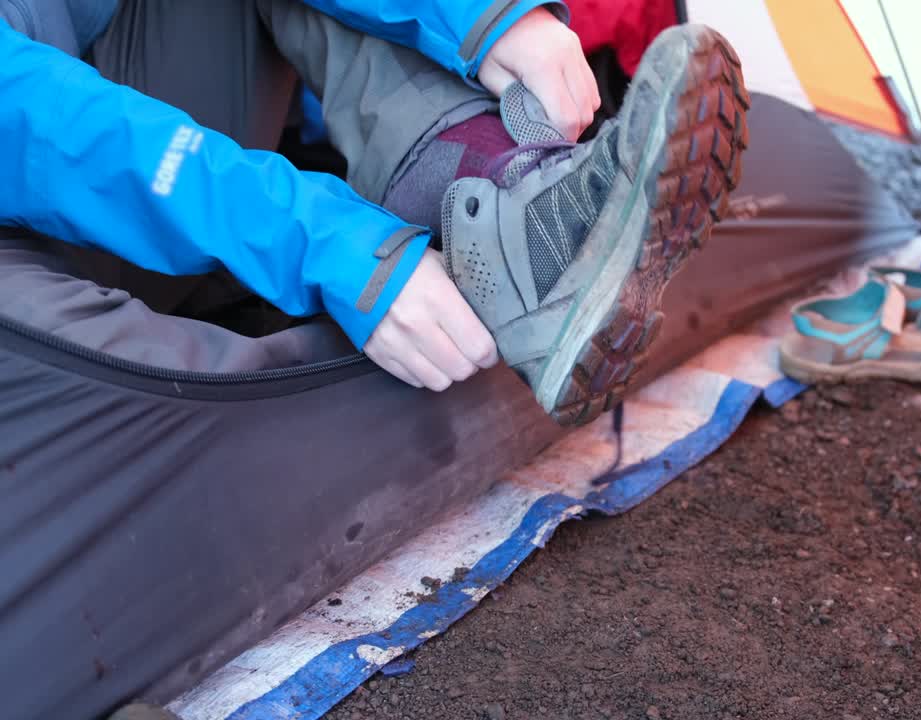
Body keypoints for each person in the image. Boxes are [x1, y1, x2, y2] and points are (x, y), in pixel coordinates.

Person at [0, 0, 748, 428]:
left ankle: (513, 205)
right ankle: (515, 238)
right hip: (39, 233)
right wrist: (329, 244)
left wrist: (485, 20)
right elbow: (44, 121)